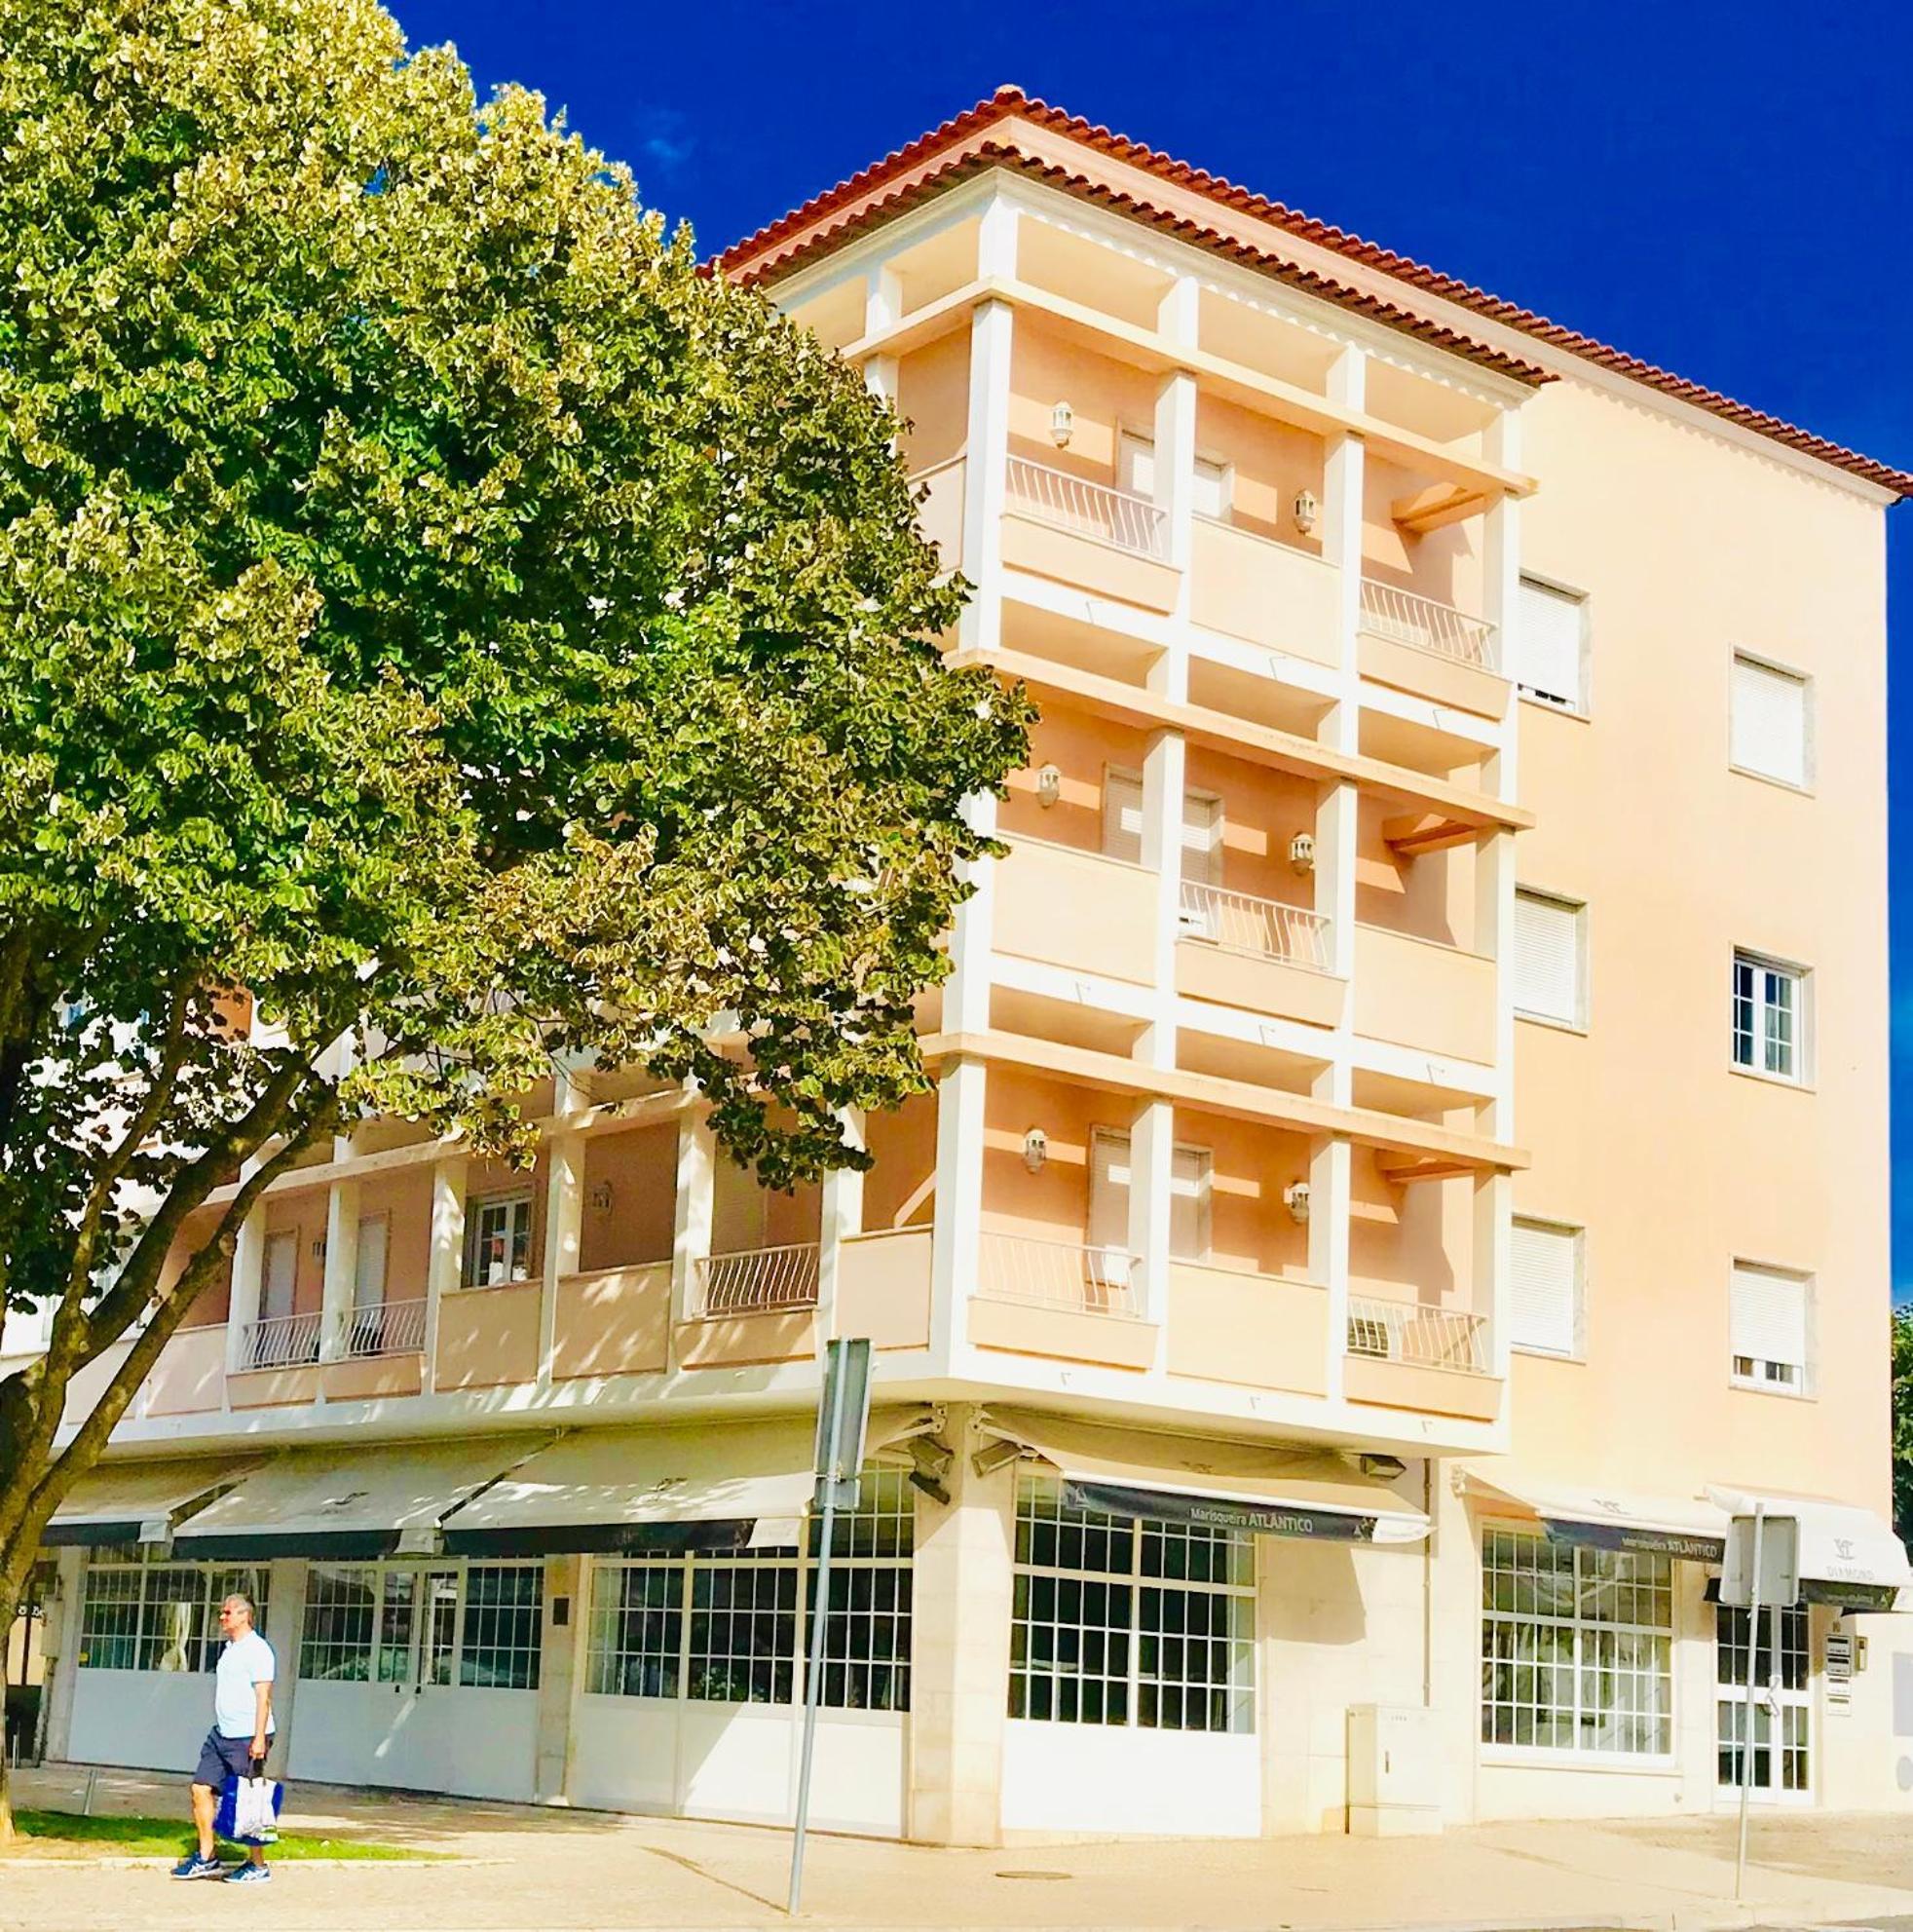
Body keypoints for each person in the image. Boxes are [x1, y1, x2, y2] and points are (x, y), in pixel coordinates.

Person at [169, 1592, 275, 1883]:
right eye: (221, 1612)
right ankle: (206, 1856)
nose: (222, 1617)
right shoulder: (229, 1649)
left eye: (227, 1612)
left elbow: (264, 1697)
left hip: (247, 1736)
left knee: (248, 1800)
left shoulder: (259, 1650)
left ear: (244, 1615)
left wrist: (258, 1739)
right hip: (222, 1733)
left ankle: (257, 1864)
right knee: (200, 1788)